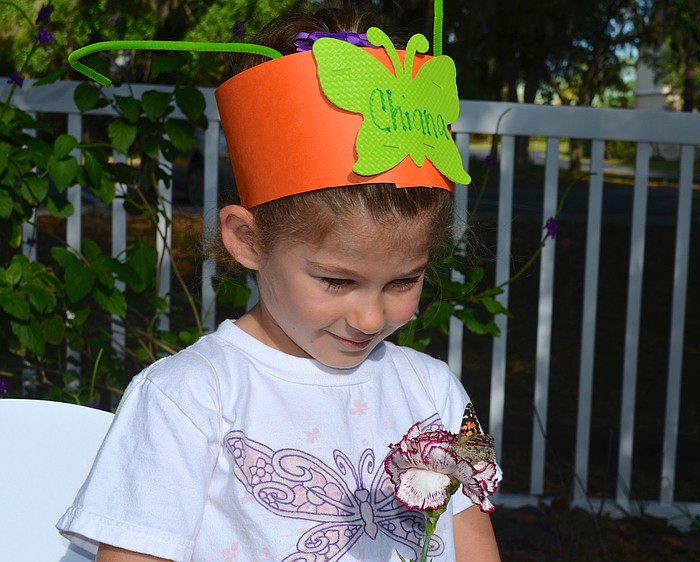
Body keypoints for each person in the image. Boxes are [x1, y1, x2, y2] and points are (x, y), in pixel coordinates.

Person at [56, 5, 500, 562]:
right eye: (337, 281)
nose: (370, 318)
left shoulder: (436, 393)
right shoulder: (192, 396)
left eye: (403, 281)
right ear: (248, 240)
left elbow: (473, 539)